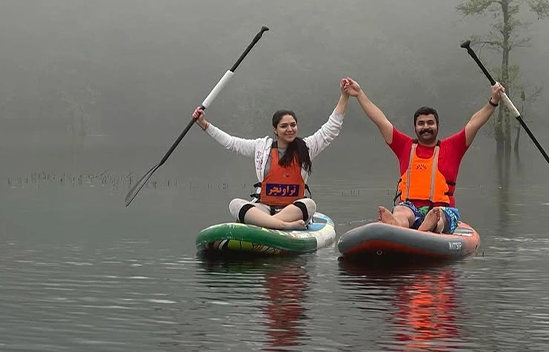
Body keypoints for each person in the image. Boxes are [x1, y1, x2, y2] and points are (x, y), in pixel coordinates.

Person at [341, 76, 504, 234]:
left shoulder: (453, 147)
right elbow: (380, 120)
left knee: (438, 216)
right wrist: (359, 94)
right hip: (410, 207)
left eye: (430, 123)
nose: (426, 127)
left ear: (437, 126)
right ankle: (397, 223)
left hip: (442, 208)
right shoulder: (404, 146)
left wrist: (493, 101)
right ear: (415, 128)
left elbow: (474, 123)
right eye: (421, 124)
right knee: (401, 211)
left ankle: (430, 226)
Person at [193, 80, 350, 230]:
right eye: (284, 126)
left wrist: (344, 96)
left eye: (293, 125)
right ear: (275, 129)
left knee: (309, 204)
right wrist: (205, 125)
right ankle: (281, 225)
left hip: (293, 210)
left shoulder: (307, 147)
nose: (290, 129)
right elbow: (231, 143)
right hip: (264, 207)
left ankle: (265, 224)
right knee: (235, 204)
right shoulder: (262, 147)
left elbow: (331, 128)